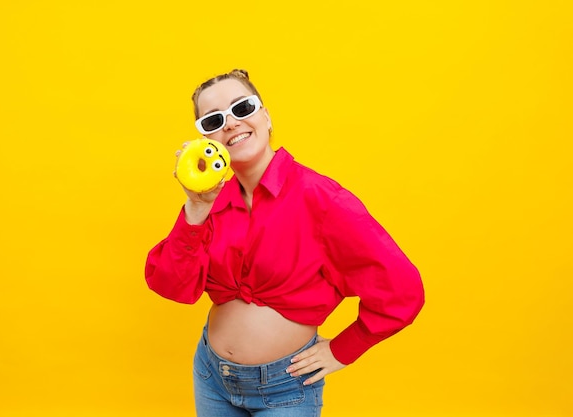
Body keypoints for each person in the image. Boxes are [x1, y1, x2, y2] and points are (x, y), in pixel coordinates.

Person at [145, 69, 425, 416]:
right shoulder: (209, 201)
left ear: (266, 116)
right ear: (206, 139)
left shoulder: (321, 198)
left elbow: (403, 288)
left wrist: (343, 349)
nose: (231, 123)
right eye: (213, 120)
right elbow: (173, 287)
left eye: (242, 108)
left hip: (285, 390)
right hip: (212, 377)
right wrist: (196, 207)